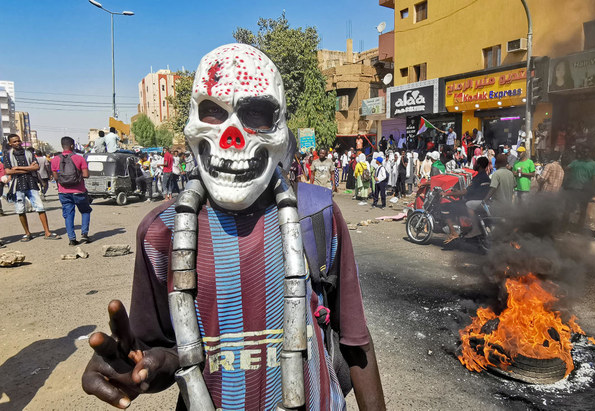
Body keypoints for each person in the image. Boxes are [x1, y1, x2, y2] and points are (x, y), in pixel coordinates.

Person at [81, 43, 384, 411]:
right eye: (213, 112)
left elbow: (356, 343)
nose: (232, 137)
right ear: (191, 124)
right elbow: (164, 356)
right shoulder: (161, 233)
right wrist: (137, 370)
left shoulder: (316, 215)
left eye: (257, 114)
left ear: (282, 129)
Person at [3, 134, 61, 241]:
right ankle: (27, 233)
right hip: (17, 185)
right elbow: (8, 171)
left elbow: (36, 167)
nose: (17, 143)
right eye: (14, 142)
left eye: (18, 141)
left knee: (40, 207)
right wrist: (28, 169)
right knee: (20, 210)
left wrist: (18, 168)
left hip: (31, 183)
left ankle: (47, 232)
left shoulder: (28, 153)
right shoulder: (7, 155)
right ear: (10, 144)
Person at [51, 136, 92, 246]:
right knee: (85, 211)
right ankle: (84, 234)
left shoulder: (55, 160)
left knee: (68, 214)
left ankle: (72, 239)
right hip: (79, 191)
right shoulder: (79, 158)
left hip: (63, 192)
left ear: (62, 145)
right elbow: (86, 175)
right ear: (72, 145)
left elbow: (55, 177)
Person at [562, 145, 595, 230]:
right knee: (567, 208)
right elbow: (566, 169)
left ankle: (579, 228)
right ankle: (563, 226)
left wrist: (591, 190)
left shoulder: (594, 165)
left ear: (590, 153)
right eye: (583, 152)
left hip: (584, 190)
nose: (584, 153)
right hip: (572, 188)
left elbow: (594, 179)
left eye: (586, 152)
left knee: (582, 210)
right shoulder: (576, 162)